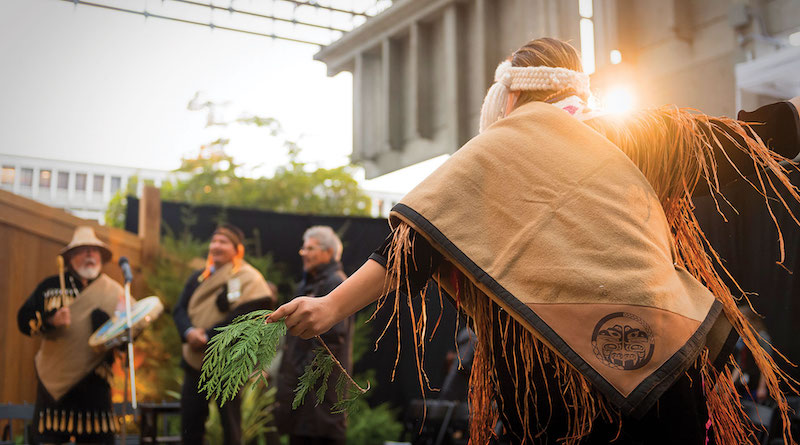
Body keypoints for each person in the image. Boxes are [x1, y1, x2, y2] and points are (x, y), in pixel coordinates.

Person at [268, 38, 800, 445]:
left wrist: (329, 305)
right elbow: (752, 135)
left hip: (551, 384)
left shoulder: (490, 154)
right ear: (577, 90)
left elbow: (409, 247)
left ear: (512, 94)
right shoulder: (638, 133)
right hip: (660, 365)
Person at [17, 226, 124, 445]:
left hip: (96, 386)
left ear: (101, 257)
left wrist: (110, 329)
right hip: (56, 385)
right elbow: (23, 320)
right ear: (70, 257)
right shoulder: (50, 287)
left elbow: (128, 339)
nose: (89, 255)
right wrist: (50, 320)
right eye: (83, 250)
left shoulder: (115, 292)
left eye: (93, 251)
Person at [173, 223, 275, 445]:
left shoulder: (249, 279)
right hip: (194, 361)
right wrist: (189, 332)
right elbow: (179, 309)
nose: (215, 246)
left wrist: (208, 337)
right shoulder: (199, 277)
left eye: (223, 242)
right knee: (190, 424)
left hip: (228, 363)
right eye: (214, 241)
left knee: (231, 427)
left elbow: (247, 316)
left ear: (237, 249)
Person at [275, 225, 354, 445]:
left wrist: (301, 379)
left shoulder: (334, 284)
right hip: (303, 399)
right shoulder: (309, 283)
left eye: (310, 248)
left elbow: (331, 342)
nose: (304, 254)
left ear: (328, 252)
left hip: (318, 399)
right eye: (303, 249)